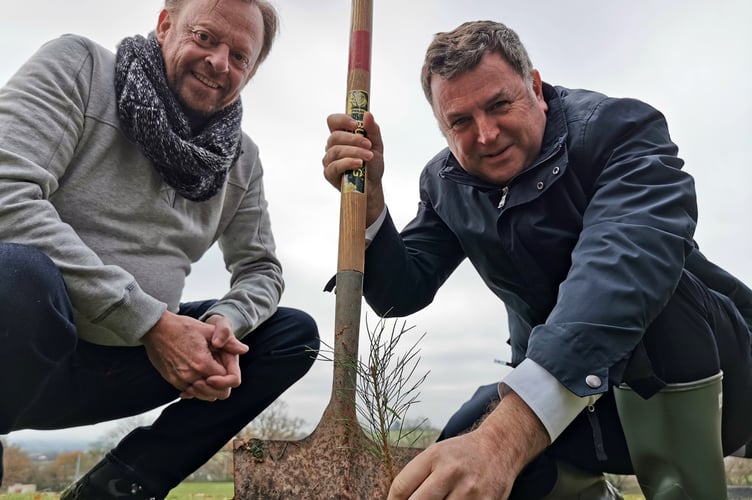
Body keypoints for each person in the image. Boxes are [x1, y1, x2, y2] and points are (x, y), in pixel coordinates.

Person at [323, 19, 752, 499]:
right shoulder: (446, 184)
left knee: (654, 292)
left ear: (536, 87)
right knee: (466, 436)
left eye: (499, 105)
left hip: (713, 386)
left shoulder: (622, 131)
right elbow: (400, 293)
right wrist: (373, 199)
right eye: (460, 122)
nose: (485, 134)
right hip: (582, 405)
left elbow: (623, 265)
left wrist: (508, 435)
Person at [0, 0, 319, 497]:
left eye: (240, 56)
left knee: (292, 334)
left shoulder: (242, 160)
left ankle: (116, 487)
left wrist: (222, 327)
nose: (219, 63)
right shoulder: (79, 67)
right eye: (206, 37)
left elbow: (261, 270)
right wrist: (151, 322)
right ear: (166, 25)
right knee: (18, 274)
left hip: (122, 364)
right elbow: (7, 195)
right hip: (22, 352)